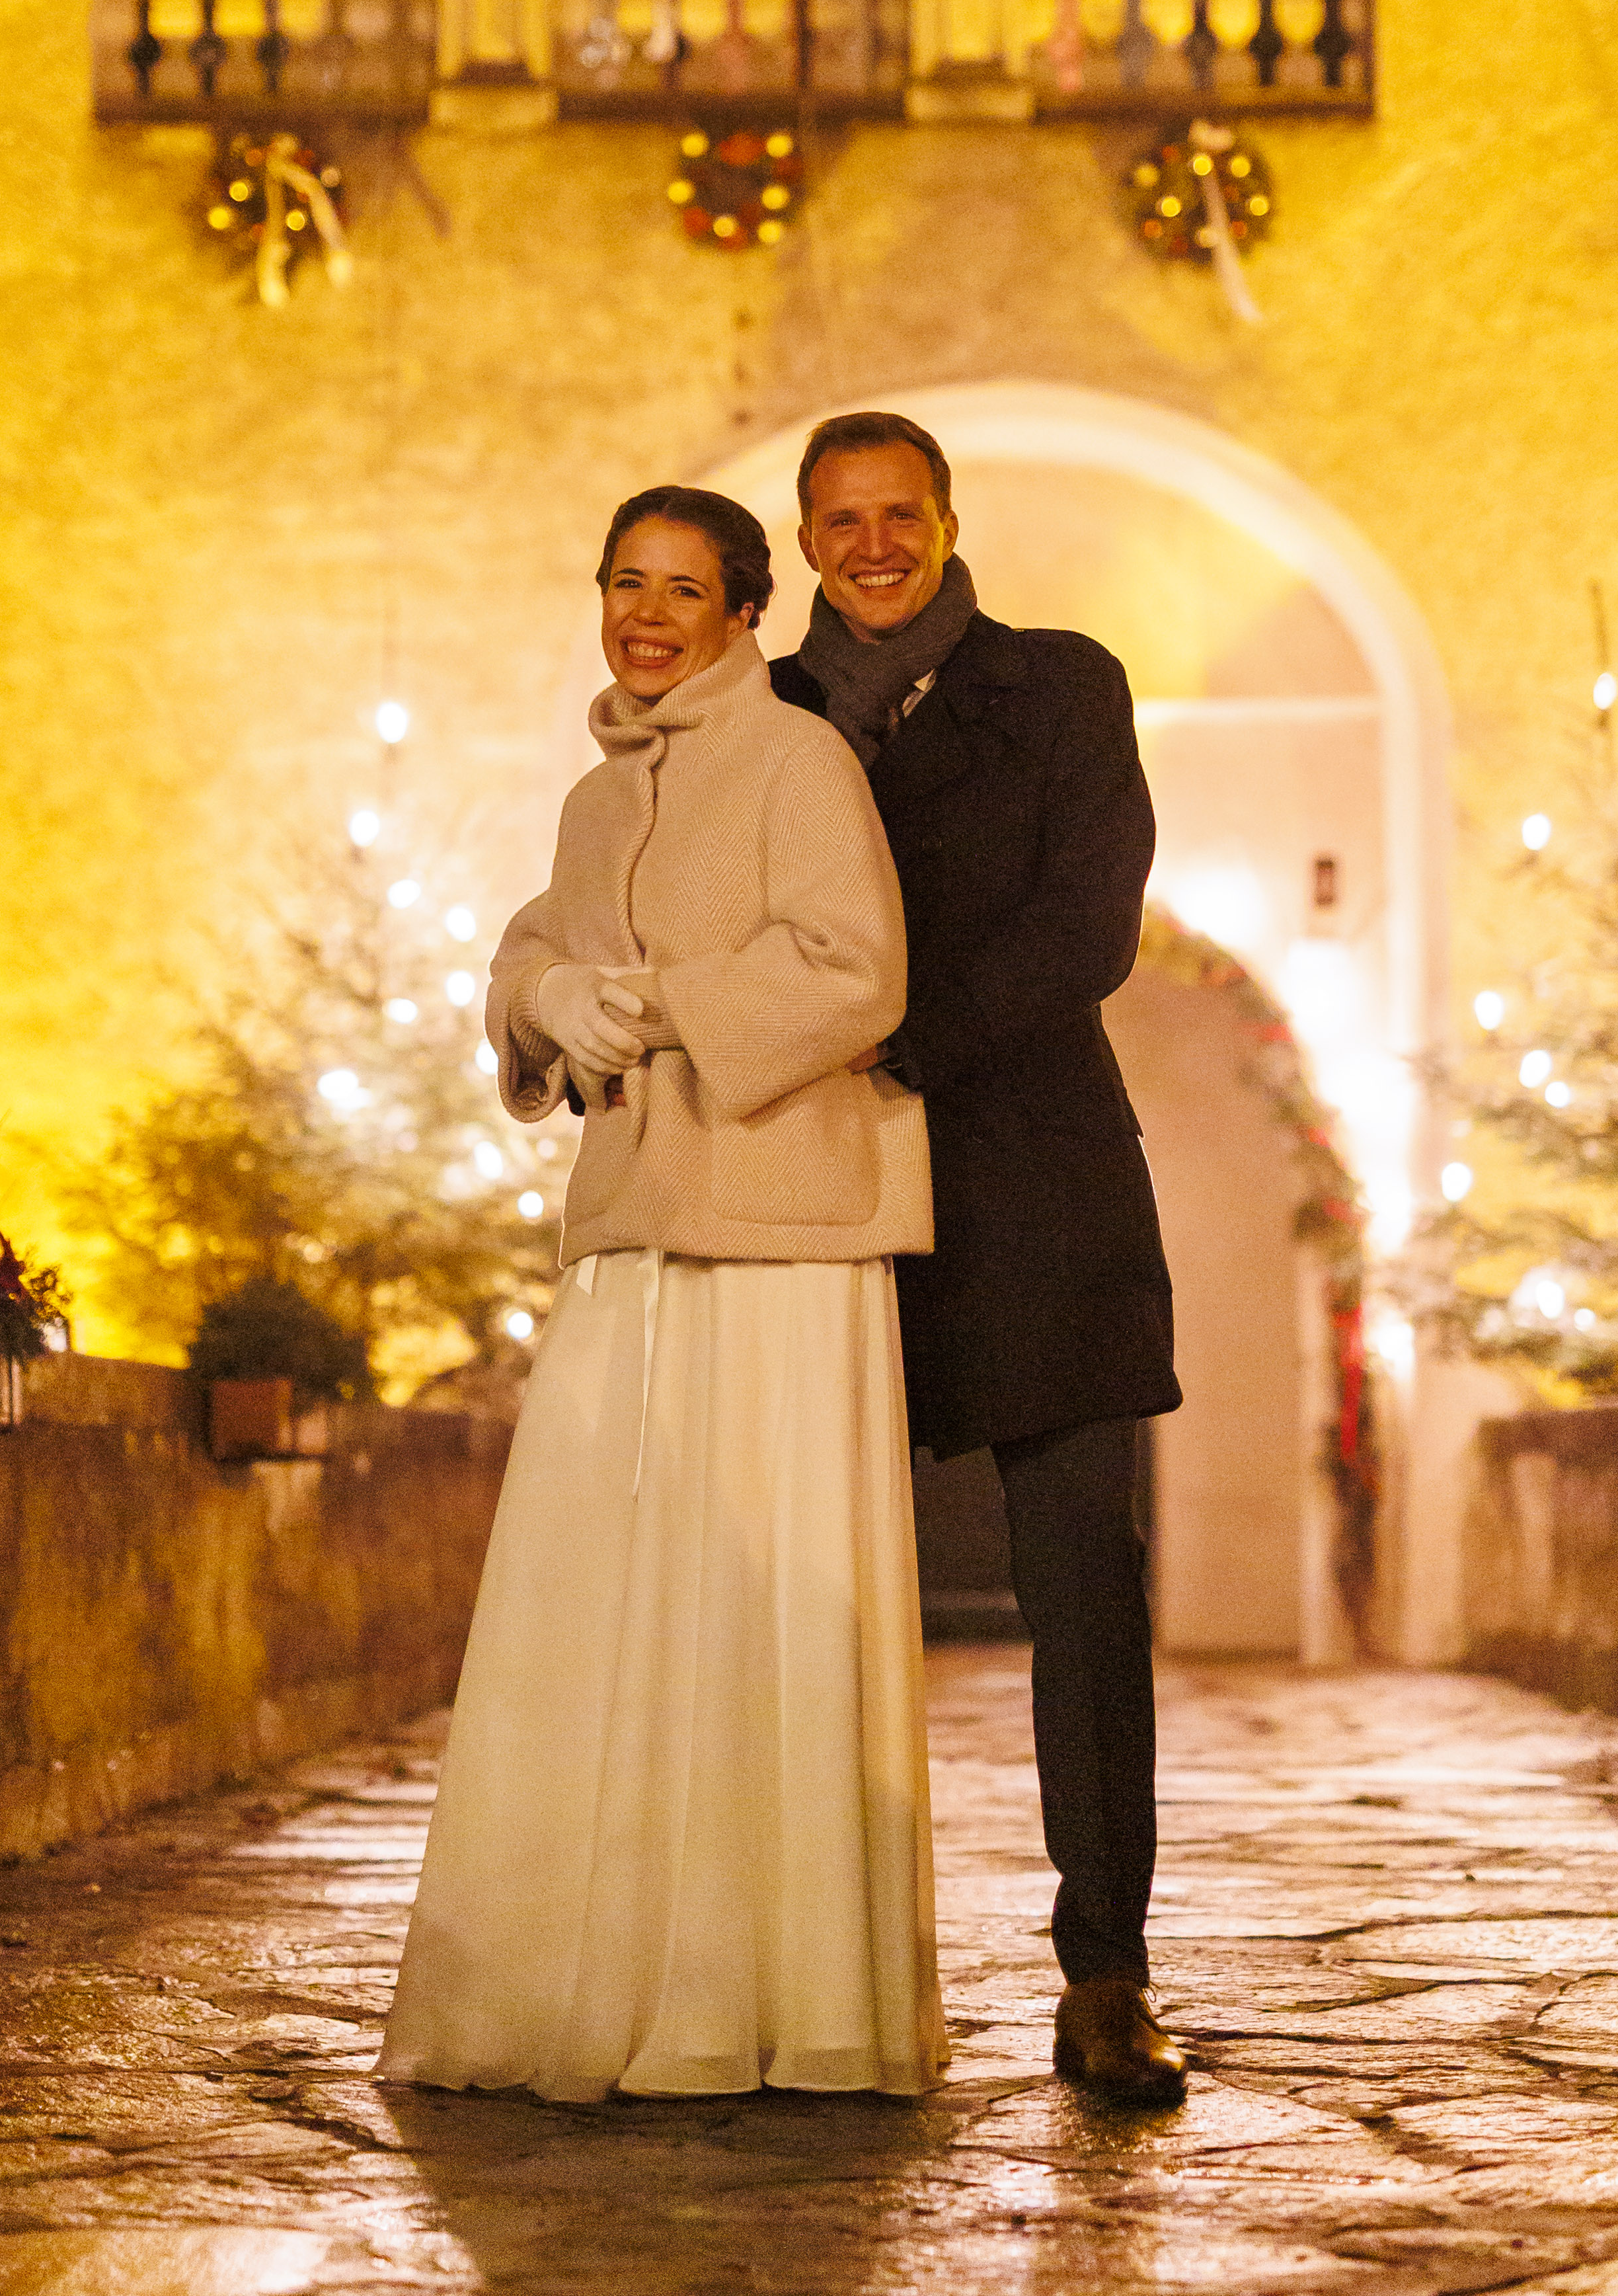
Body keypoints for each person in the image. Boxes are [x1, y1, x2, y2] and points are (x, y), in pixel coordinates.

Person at [381, 483, 946, 2105]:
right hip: (633, 1224)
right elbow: (533, 955)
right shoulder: (589, 796)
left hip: (777, 1234)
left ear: (742, 612)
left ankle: (768, 1987)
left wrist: (671, 1006)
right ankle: (593, 1961)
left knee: (755, 1596)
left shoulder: (798, 759)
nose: (644, 612)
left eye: (681, 587)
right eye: (623, 580)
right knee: (606, 1585)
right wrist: (549, 994)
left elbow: (858, 969)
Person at [769, 411, 1186, 2108]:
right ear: (802, 542)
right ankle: (795, 1968)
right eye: (840, 519)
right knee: (780, 1591)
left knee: (1084, 1594)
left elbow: (1090, 923)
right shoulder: (760, 706)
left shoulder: (1062, 684)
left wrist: (903, 1047)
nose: (874, 543)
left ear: (948, 519)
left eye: (901, 512)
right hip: (803, 1190)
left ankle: (1108, 1979)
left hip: (1040, 1184)